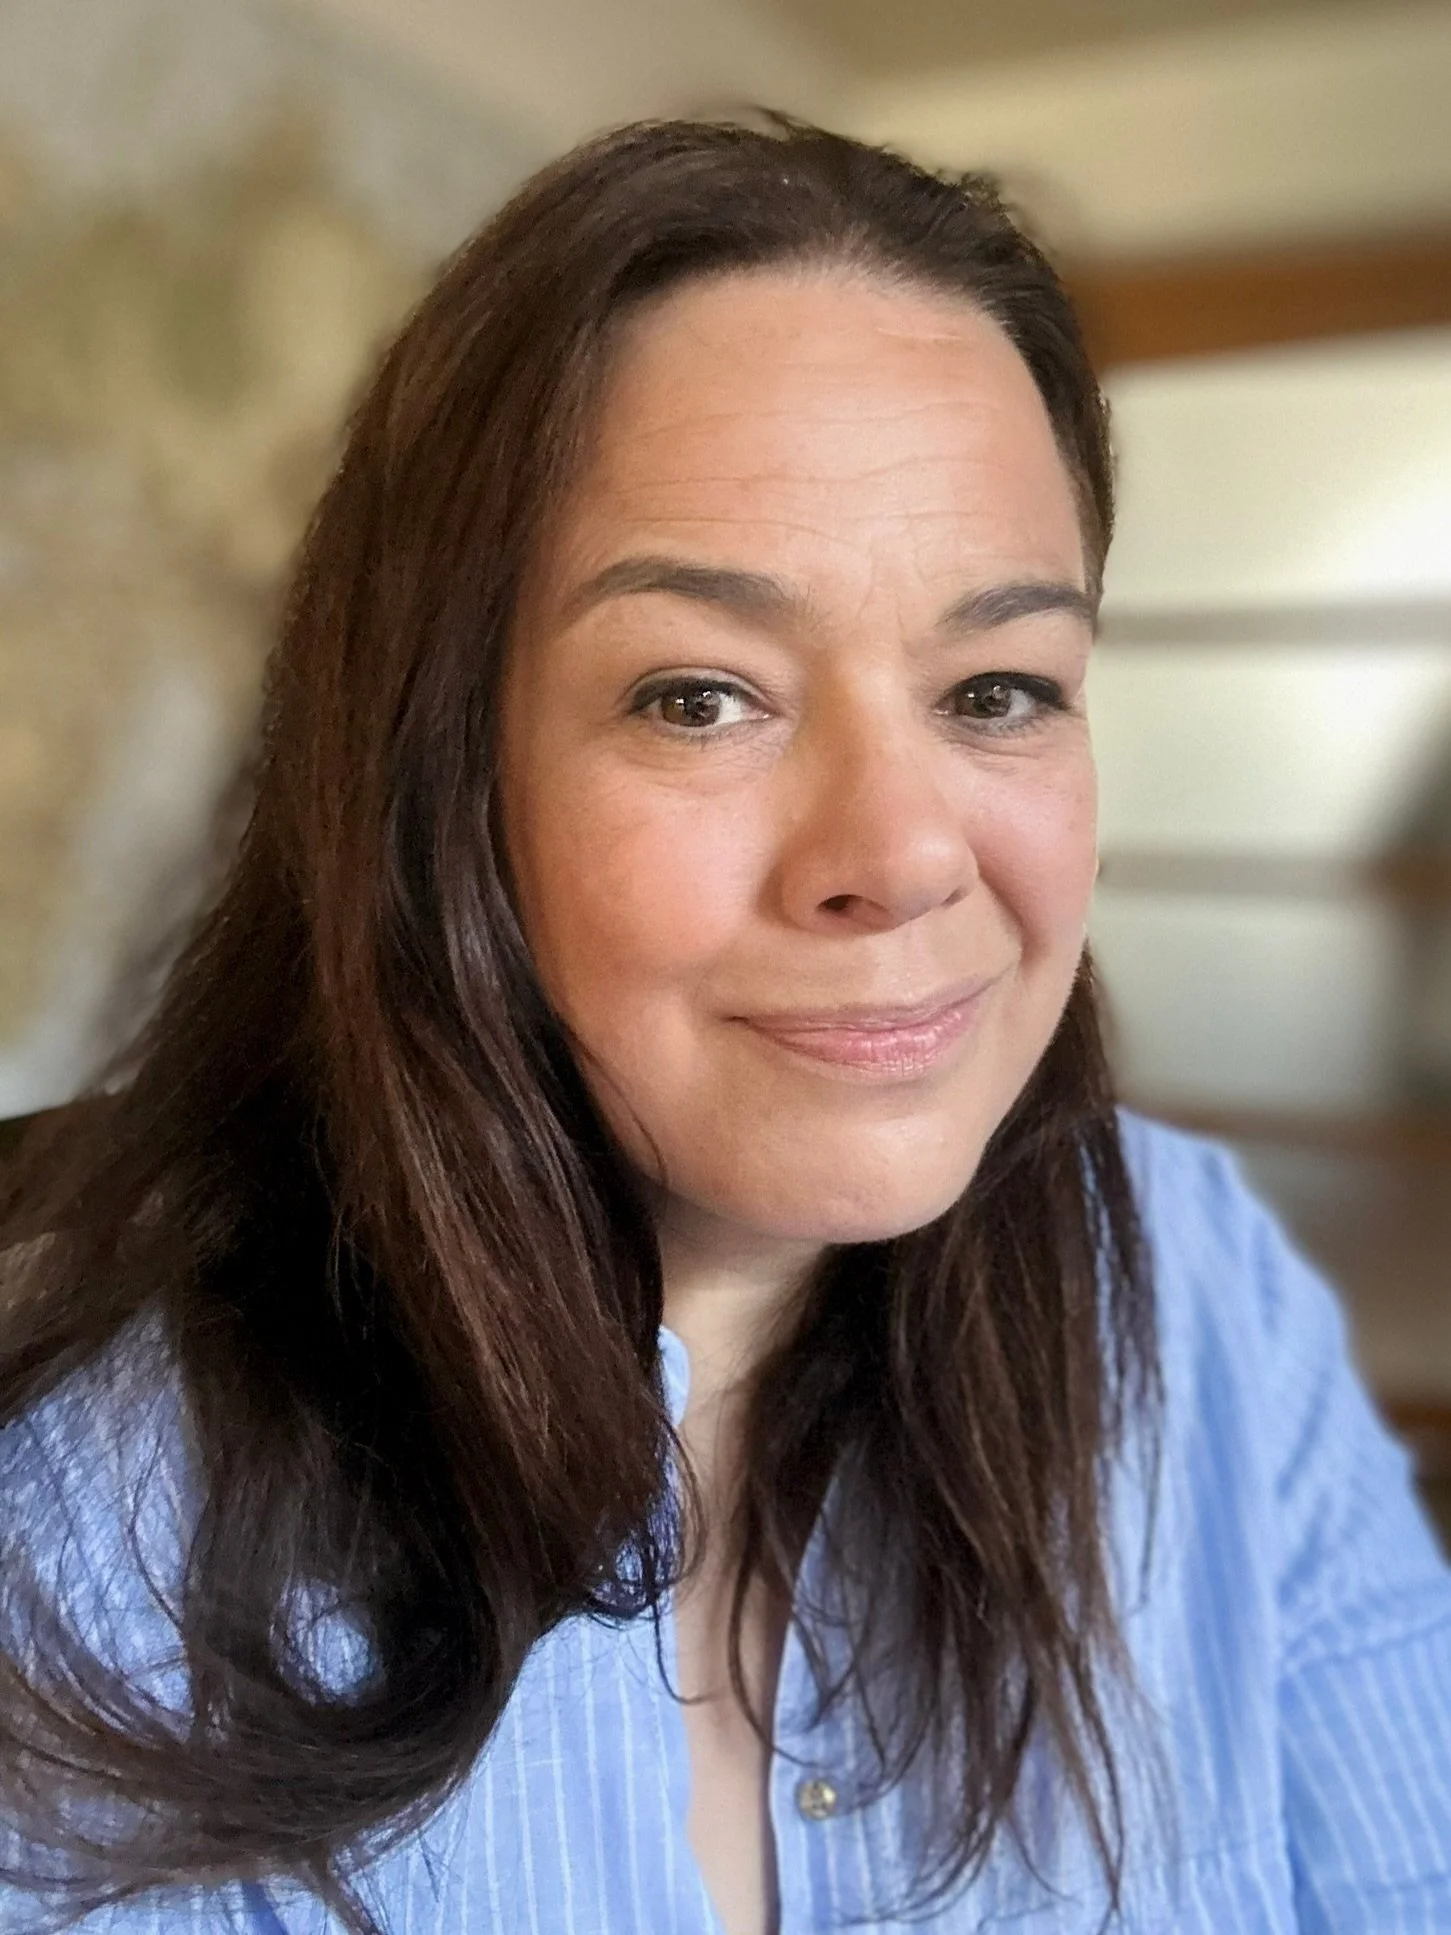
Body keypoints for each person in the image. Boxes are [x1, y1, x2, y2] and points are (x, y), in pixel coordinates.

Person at [1, 116, 1448, 1935]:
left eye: (995, 687)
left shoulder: (1194, 1300)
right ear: (436, 779)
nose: (903, 855)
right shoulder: (74, 1549)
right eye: (701, 697)